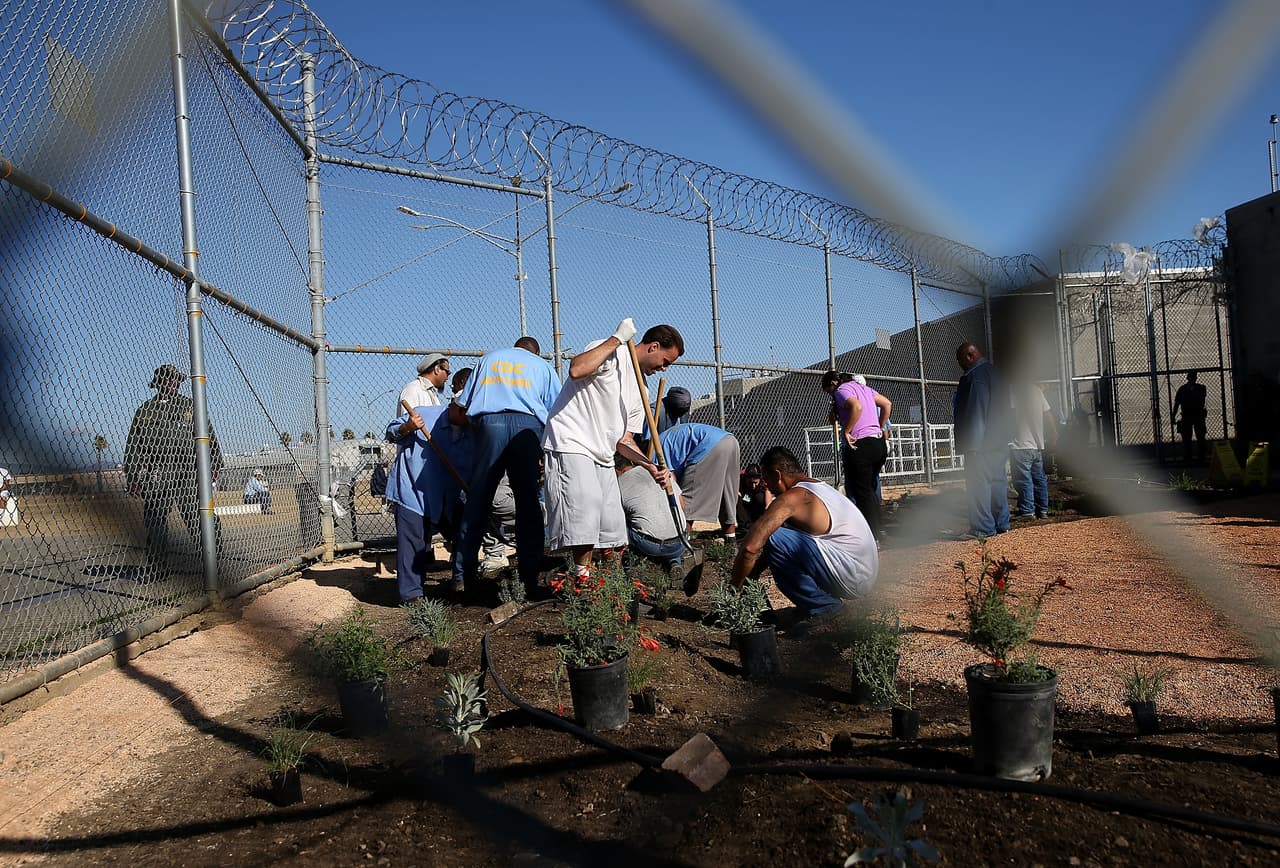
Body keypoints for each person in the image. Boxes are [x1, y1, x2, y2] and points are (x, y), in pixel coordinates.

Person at [541, 318, 683, 578]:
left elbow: (624, 441)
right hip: (571, 442)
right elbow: (576, 369)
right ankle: (584, 580)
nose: (664, 369)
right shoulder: (610, 351)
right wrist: (617, 337)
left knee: (614, 528)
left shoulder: (642, 389)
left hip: (604, 453)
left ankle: (611, 586)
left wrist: (651, 466)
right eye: (665, 361)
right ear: (653, 347)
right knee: (583, 521)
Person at [453, 337, 560, 592]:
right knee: (528, 503)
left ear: (515, 347)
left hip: (490, 425)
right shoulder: (542, 366)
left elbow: (462, 404)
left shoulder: (488, 359)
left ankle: (461, 576)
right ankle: (529, 577)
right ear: (535, 351)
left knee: (478, 500)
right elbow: (555, 409)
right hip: (527, 427)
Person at [730, 446, 877, 622]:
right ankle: (817, 605)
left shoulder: (793, 497)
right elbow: (776, 550)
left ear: (777, 475)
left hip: (852, 574)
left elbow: (750, 548)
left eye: (766, 479)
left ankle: (827, 609)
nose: (766, 486)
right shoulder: (818, 487)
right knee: (779, 539)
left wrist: (733, 590)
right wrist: (752, 575)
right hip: (863, 573)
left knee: (773, 538)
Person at [124, 364, 224, 570]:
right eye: (167, 378)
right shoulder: (145, 412)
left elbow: (208, 436)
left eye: (175, 379)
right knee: (155, 520)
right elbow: (133, 447)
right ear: (158, 382)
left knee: (198, 515)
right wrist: (133, 477)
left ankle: (212, 561)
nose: (171, 382)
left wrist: (214, 463)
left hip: (189, 470)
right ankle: (157, 568)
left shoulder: (190, 407)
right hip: (159, 472)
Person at [658, 386, 741, 542]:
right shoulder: (669, 435)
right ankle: (731, 540)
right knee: (726, 493)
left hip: (708, 445)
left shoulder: (656, 451)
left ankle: (683, 543)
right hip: (730, 440)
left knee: (689, 497)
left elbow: (672, 480)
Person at [821, 371, 891, 539]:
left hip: (861, 445)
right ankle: (877, 531)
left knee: (861, 491)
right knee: (869, 489)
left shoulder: (841, 390)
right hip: (878, 443)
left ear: (832, 383)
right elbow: (887, 404)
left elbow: (856, 407)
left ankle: (872, 536)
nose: (830, 394)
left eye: (828, 390)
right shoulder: (863, 388)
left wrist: (846, 430)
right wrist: (880, 427)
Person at [953, 343, 1011, 539]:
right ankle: (1001, 523)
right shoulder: (995, 373)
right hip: (999, 439)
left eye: (961, 359)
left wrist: (973, 445)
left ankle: (983, 527)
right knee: (998, 481)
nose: (960, 364)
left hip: (981, 442)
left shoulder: (975, 377)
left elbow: (976, 410)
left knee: (979, 484)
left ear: (969, 356)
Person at [614, 451, 689, 574]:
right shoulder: (660, 472)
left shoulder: (619, 484)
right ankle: (674, 561)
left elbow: (614, 519)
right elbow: (683, 506)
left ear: (616, 470)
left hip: (650, 545)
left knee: (619, 523)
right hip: (681, 541)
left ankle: (632, 563)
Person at [1009, 380, 1055, 520]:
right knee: (1039, 478)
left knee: (1023, 479)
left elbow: (1010, 415)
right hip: (1036, 445)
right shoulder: (1036, 390)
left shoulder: (1013, 389)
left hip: (1020, 443)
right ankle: (1043, 510)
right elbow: (1048, 414)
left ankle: (1028, 511)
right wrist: (1053, 433)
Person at [1172, 371, 1208, 463]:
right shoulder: (1198, 388)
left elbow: (1177, 404)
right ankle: (1193, 457)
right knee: (1189, 437)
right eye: (1192, 377)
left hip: (1194, 415)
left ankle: (1196, 457)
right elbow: (1177, 404)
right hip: (1192, 415)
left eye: (1194, 377)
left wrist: (1173, 415)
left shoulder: (1186, 389)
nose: (1193, 379)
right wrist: (1173, 415)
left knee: (1196, 437)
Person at [736, 464, 768, 530]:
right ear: (745, 479)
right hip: (745, 498)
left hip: (757, 499)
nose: (753, 486)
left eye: (755, 483)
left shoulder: (764, 479)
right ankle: (745, 525)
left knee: (760, 497)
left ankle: (757, 521)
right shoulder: (739, 478)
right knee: (736, 498)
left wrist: (767, 506)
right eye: (750, 483)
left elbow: (768, 491)